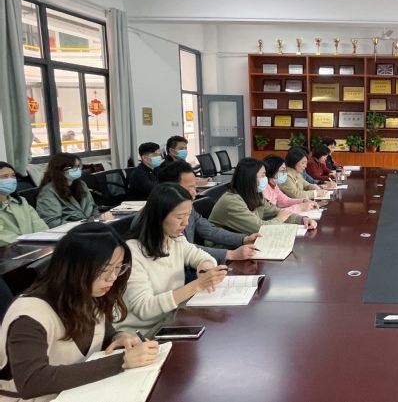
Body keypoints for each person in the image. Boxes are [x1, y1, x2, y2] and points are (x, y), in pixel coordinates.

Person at [0, 223, 160, 400]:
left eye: (118, 268)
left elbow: (105, 335)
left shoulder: (89, 294)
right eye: (105, 269)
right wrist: (121, 360)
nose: (113, 277)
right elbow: (32, 381)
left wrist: (119, 338)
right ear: (75, 268)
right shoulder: (29, 315)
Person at [118, 183, 229, 333]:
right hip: (143, 335)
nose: (186, 223)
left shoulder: (175, 240)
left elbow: (202, 257)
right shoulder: (132, 253)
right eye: (179, 217)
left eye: (188, 215)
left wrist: (205, 267)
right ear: (159, 216)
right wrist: (196, 285)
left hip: (172, 321)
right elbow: (144, 308)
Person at [157, 160, 260, 264]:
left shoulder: (189, 208)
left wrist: (244, 239)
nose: (194, 193)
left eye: (195, 187)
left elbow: (210, 230)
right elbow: (186, 250)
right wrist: (230, 254)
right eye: (189, 188)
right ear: (171, 190)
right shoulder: (158, 216)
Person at [208, 157, 317, 234]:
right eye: (263, 175)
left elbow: (276, 212)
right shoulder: (232, 202)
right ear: (250, 178)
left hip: (246, 240)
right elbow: (259, 227)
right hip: (225, 248)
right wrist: (280, 219)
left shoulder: (254, 195)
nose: (266, 179)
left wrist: (303, 220)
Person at [36, 153, 99, 228]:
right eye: (73, 167)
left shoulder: (81, 184)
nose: (77, 170)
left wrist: (97, 221)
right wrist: (82, 226)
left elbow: (93, 207)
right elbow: (51, 222)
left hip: (90, 227)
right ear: (60, 170)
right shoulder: (48, 192)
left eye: (78, 166)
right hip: (70, 231)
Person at [0, 162, 48, 246]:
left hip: (31, 247)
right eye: (5, 176)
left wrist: (45, 238)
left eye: (13, 176)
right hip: (7, 251)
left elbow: (38, 223)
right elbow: (3, 236)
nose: (11, 180)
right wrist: (27, 243)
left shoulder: (21, 201)